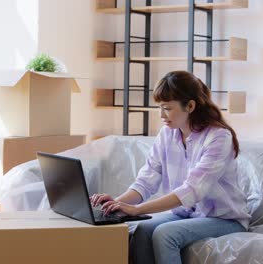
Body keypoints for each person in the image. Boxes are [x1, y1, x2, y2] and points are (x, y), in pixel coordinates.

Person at [90, 70, 251, 264]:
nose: (161, 115)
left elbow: (191, 191)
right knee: (142, 230)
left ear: (190, 106)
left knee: (165, 235)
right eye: (160, 107)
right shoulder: (167, 134)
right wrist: (117, 203)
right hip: (187, 215)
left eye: (167, 108)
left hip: (225, 219)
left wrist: (137, 209)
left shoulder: (218, 137)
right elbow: (147, 179)